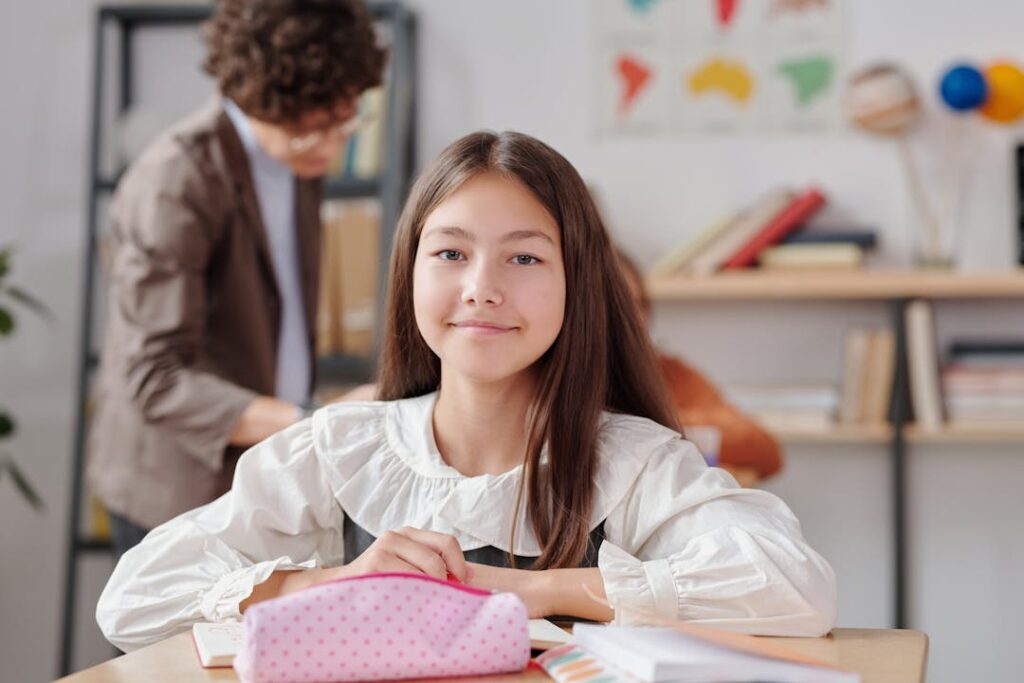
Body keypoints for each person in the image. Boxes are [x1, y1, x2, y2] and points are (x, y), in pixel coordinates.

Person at [96, 131, 836, 652]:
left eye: (523, 256)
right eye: (450, 252)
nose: (481, 288)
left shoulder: (634, 462)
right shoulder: (340, 450)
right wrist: (338, 581)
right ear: (410, 273)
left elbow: (796, 588)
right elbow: (132, 599)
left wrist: (537, 590)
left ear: (578, 282)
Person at [86, 0, 386, 561]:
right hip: (176, 490)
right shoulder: (176, 181)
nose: (333, 145)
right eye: (316, 130)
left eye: (345, 123)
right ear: (262, 103)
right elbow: (155, 376)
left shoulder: (297, 163)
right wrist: (313, 425)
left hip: (254, 473)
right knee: (186, 652)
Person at [616, 250, 784, 483]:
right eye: (617, 306)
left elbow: (764, 449)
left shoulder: (670, 373)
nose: (633, 320)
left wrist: (664, 424)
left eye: (639, 305)